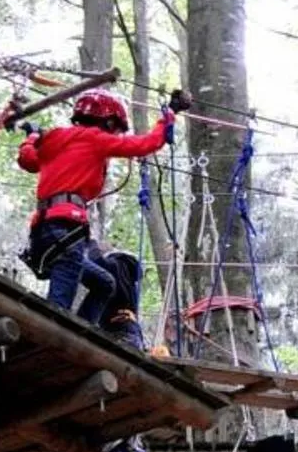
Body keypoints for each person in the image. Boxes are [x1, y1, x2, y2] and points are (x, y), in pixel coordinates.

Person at [16, 88, 190, 347]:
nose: (116, 135)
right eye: (115, 129)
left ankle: (82, 337)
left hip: (44, 233)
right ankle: (50, 347)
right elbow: (146, 144)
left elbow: (27, 160)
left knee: (104, 283)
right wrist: (169, 115)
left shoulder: (53, 139)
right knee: (57, 309)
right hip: (66, 229)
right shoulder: (95, 138)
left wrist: (31, 137)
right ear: (108, 121)